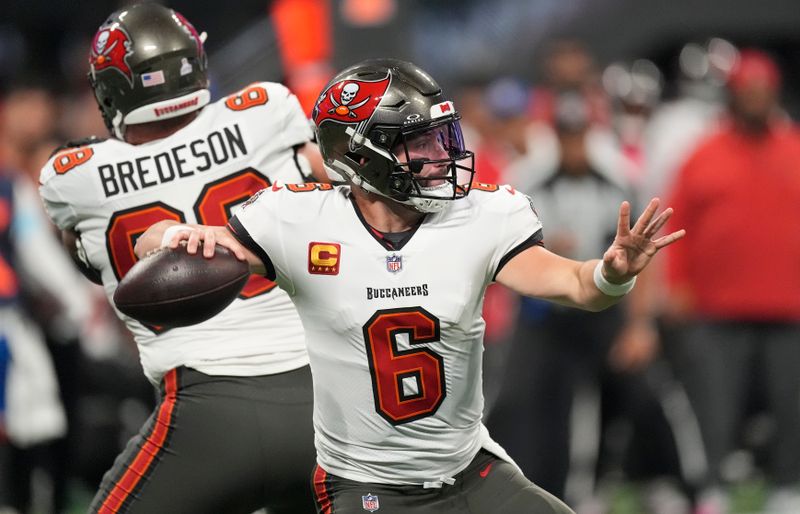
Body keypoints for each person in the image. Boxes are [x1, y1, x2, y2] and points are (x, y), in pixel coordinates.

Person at [136, 58, 684, 514]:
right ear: (358, 156)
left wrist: (612, 271)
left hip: (469, 472)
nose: (440, 155)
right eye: (417, 144)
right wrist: (165, 233)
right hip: (366, 489)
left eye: (443, 137)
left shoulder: (482, 216)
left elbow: (575, 284)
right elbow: (184, 244)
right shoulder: (295, 221)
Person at [38, 4, 321, 513]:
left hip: (204, 410)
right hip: (325, 395)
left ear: (109, 90)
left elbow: (81, 257)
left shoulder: (73, 175)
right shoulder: (265, 110)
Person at [665, 49, 800, 514]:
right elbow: (675, 223)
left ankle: (789, 486)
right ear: (733, 95)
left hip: (788, 306)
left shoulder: (795, 149)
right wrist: (677, 283)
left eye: (765, 91)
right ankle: (712, 488)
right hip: (716, 306)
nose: (758, 100)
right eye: (749, 91)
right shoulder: (703, 154)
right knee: (715, 405)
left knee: (792, 403)